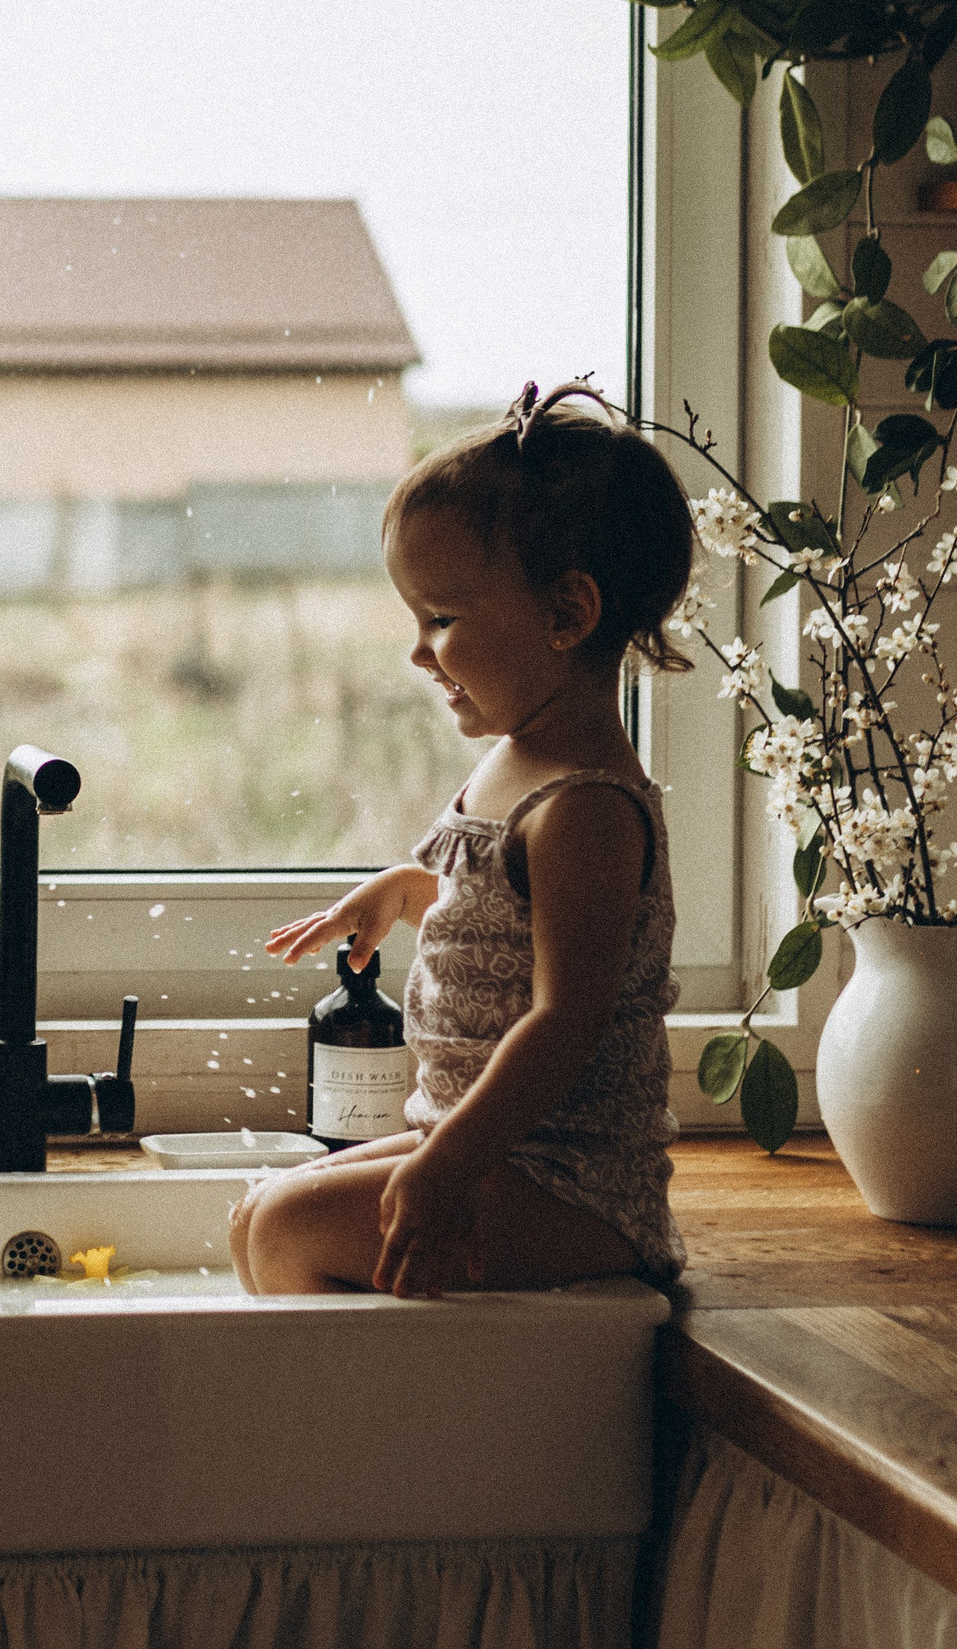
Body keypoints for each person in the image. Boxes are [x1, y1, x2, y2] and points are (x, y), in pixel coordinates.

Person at [230, 383, 694, 1300]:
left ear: (567, 615)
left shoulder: (584, 808)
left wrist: (445, 1168)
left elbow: (567, 1019)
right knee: (259, 1212)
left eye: (440, 619)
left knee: (287, 1229)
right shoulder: (519, 763)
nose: (419, 652)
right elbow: (506, 914)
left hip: (575, 1185)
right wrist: (409, 891)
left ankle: (383, 1397)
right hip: (497, 1149)